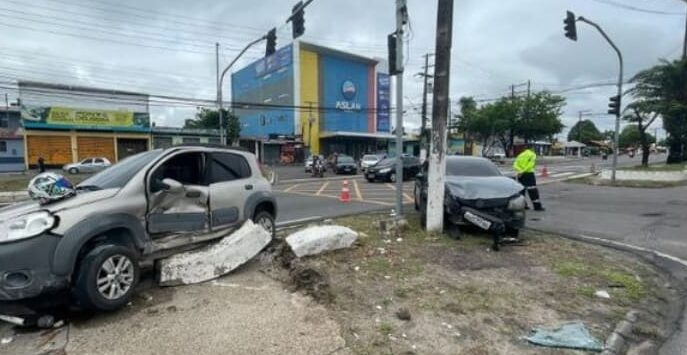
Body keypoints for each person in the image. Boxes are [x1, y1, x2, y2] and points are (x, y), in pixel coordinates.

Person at [513, 146, 545, 211]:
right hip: (529, 174)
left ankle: (524, 205)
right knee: (533, 191)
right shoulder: (532, 154)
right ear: (532, 149)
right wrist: (523, 171)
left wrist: (520, 171)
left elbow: (515, 165)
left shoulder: (520, 155)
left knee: (522, 191)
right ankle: (537, 207)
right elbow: (530, 165)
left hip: (520, 175)